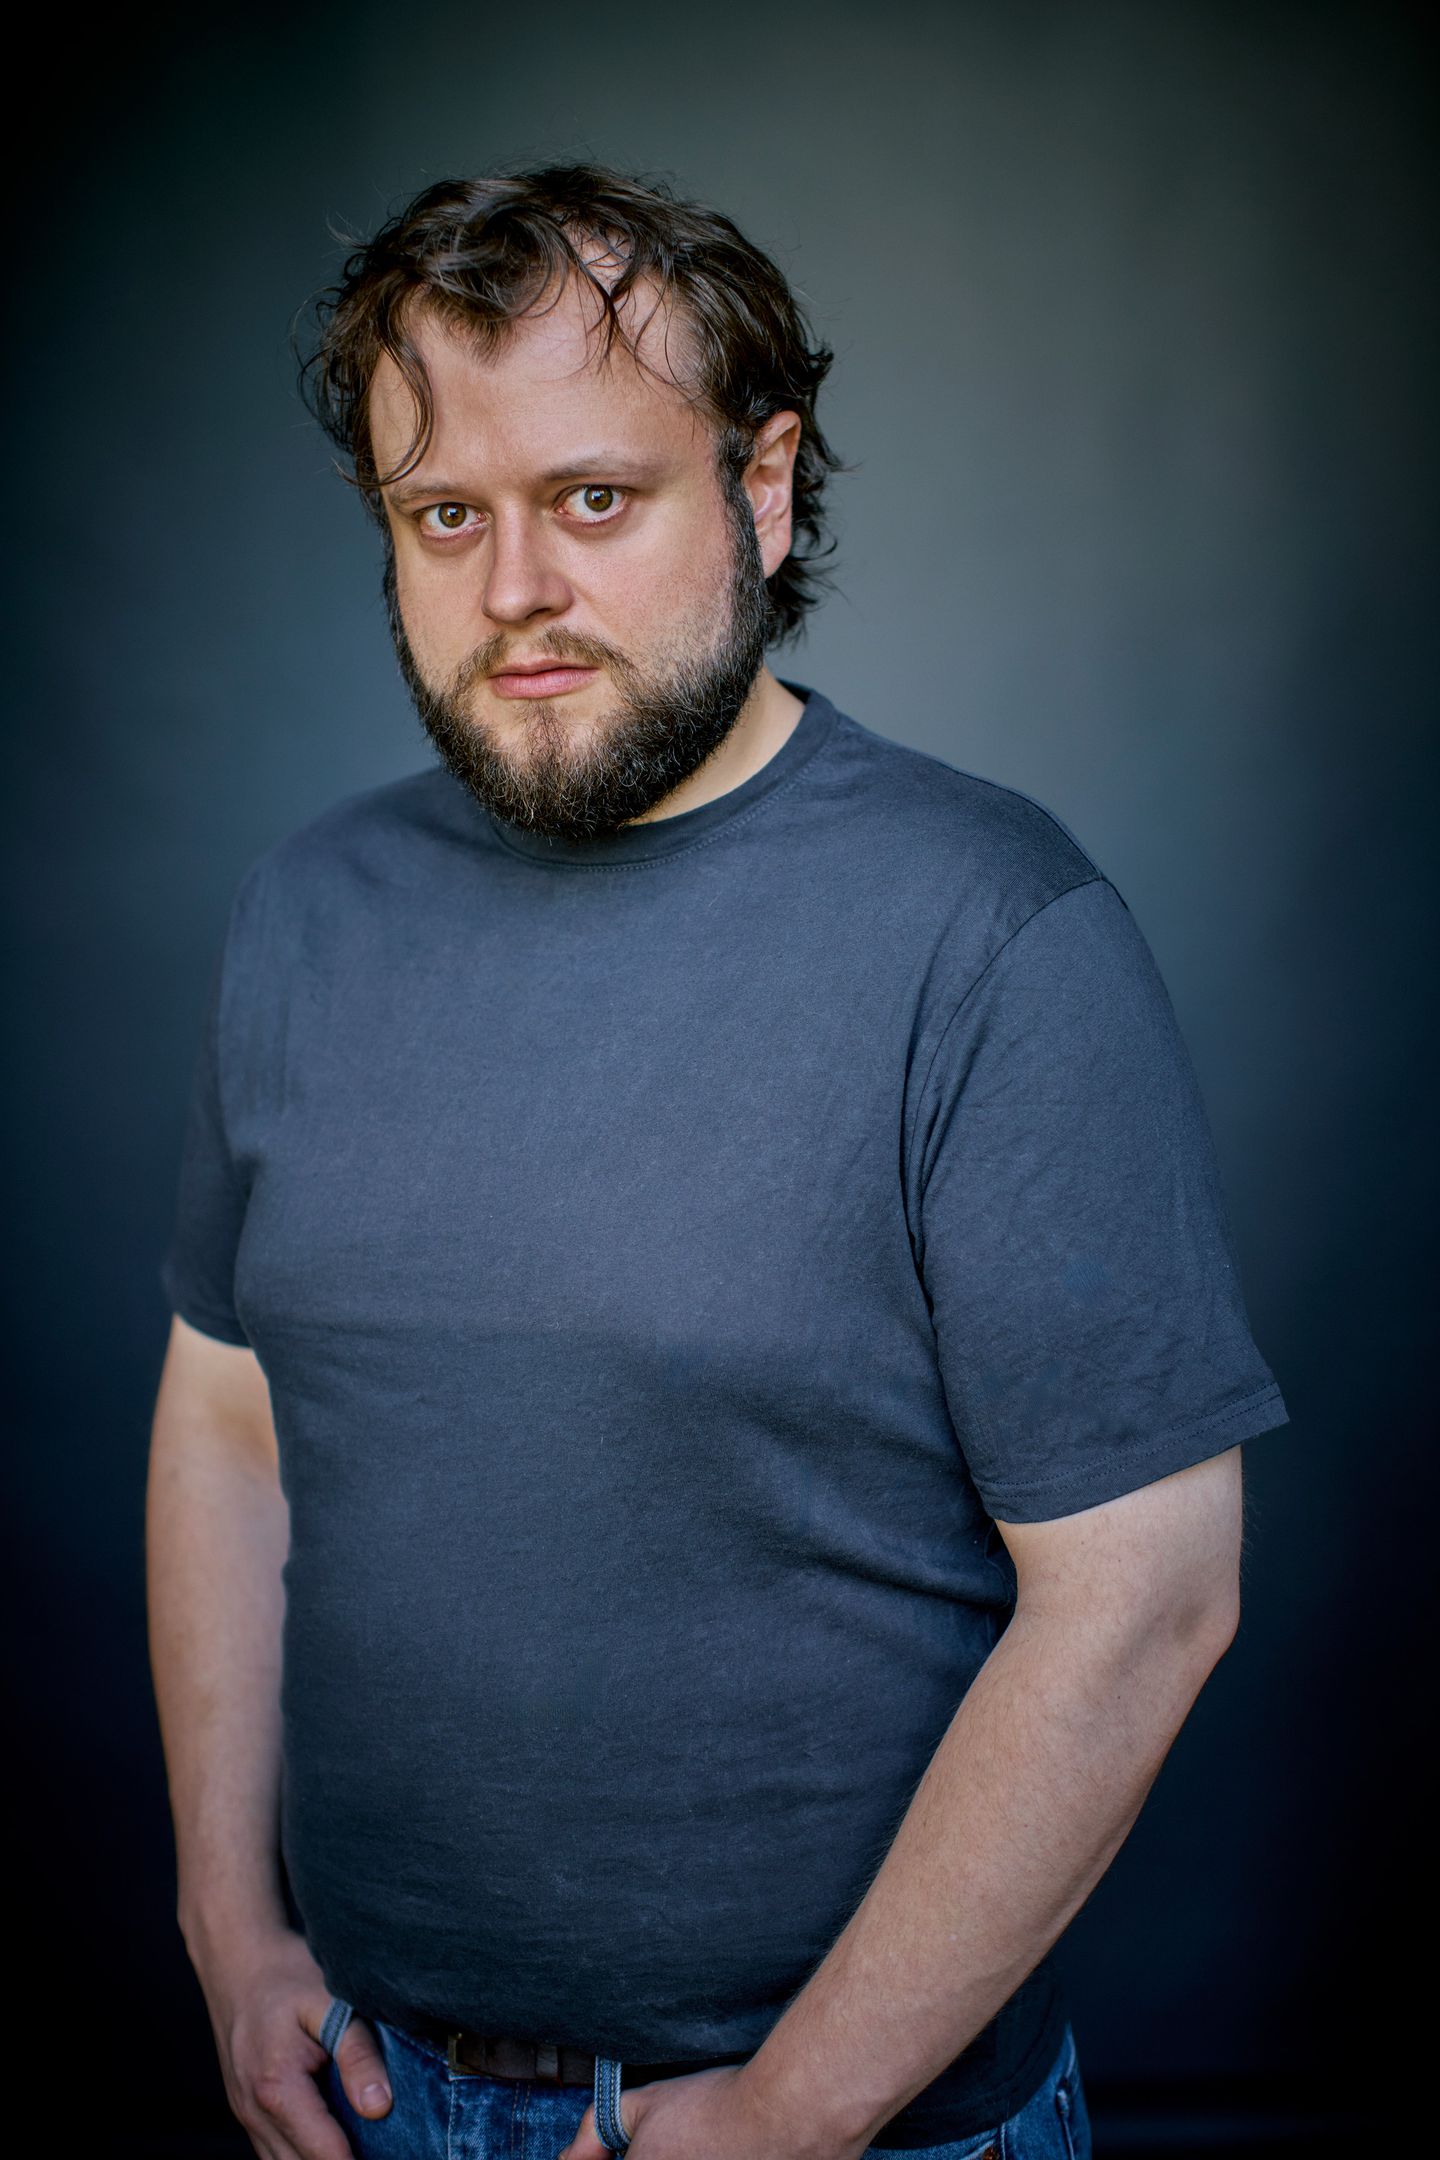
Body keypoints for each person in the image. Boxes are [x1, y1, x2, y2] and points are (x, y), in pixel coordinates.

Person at [147, 165, 1290, 2160]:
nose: (515, 585)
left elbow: (1149, 1600)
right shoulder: (306, 914)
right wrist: (226, 1925)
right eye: (445, 516)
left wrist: (790, 2111)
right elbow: (230, 1427)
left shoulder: (992, 932)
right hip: (373, 2094)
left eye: (594, 498)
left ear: (762, 488)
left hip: (861, 2130)